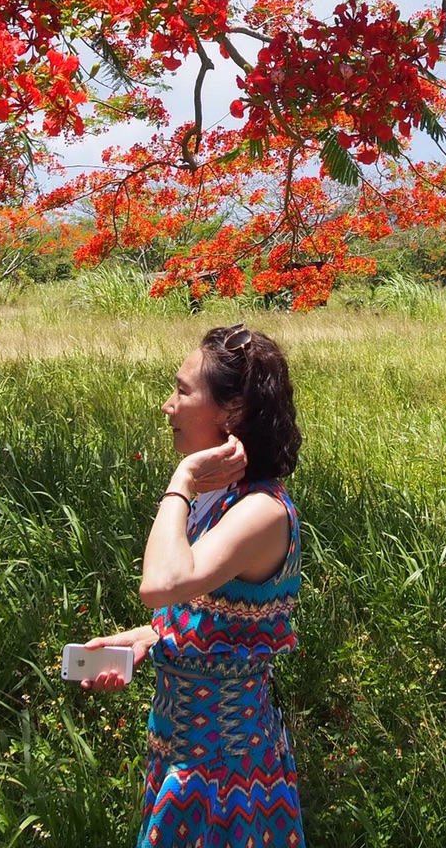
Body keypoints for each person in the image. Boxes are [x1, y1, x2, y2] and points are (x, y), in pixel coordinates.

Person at [82, 323, 306, 848]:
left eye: (182, 391)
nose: (168, 406)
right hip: (181, 760)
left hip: (226, 778)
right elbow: (210, 619)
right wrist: (145, 639)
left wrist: (180, 482)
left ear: (233, 413)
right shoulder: (221, 503)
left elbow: (162, 584)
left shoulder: (261, 513)